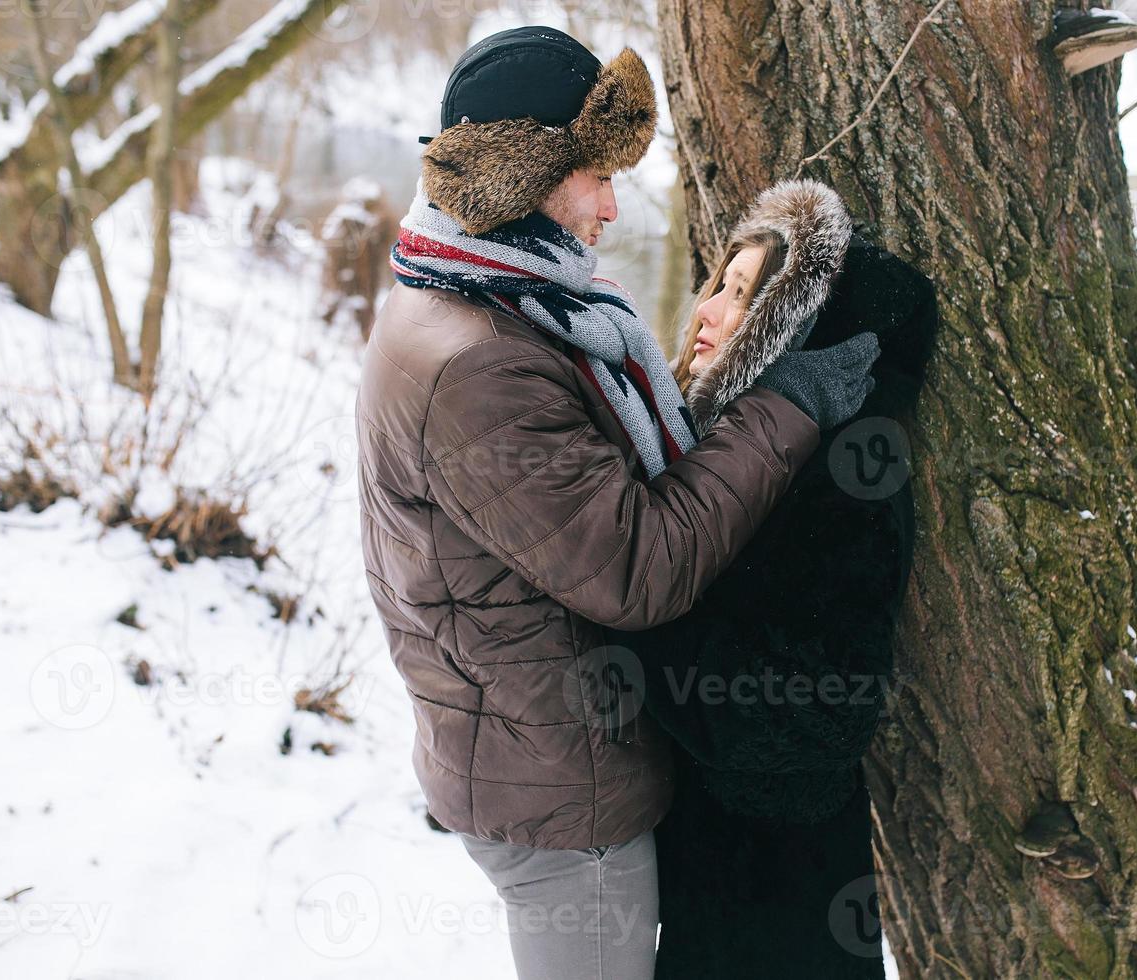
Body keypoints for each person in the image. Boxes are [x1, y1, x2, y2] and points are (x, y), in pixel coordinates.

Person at [354, 26, 882, 980]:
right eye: (591, 177)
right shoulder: (483, 363)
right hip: (564, 800)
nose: (609, 206)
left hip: (533, 754)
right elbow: (636, 569)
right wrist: (786, 405)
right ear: (518, 180)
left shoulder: (477, 298)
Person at [607, 180, 941, 979]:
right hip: (713, 876)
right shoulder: (726, 445)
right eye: (719, 284)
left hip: (779, 900)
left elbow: (820, 714)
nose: (708, 311)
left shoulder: (847, 480)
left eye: (743, 296)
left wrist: (634, 626)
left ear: (795, 327)